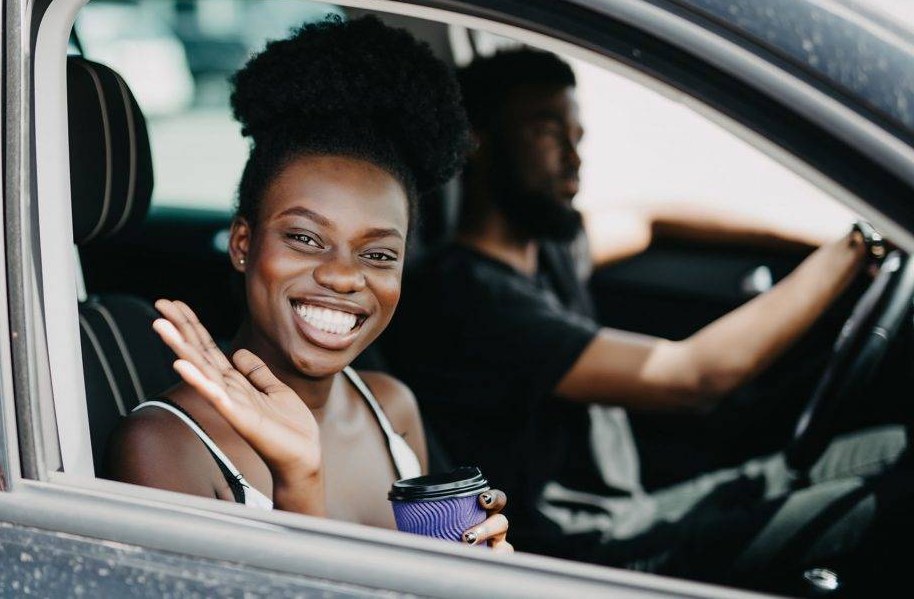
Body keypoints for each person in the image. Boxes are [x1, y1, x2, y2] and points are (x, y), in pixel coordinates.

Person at [384, 47, 909, 583]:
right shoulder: (469, 298)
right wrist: (855, 245)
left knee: (893, 447)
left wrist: (811, 240)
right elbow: (694, 377)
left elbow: (651, 220)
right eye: (547, 131)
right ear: (477, 139)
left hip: (637, 512)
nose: (574, 157)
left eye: (577, 135)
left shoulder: (551, 248)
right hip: (591, 554)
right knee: (894, 506)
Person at [105, 16, 512, 550]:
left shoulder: (392, 409)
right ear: (243, 244)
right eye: (306, 238)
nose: (344, 276)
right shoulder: (164, 445)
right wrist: (298, 481)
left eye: (378, 253)